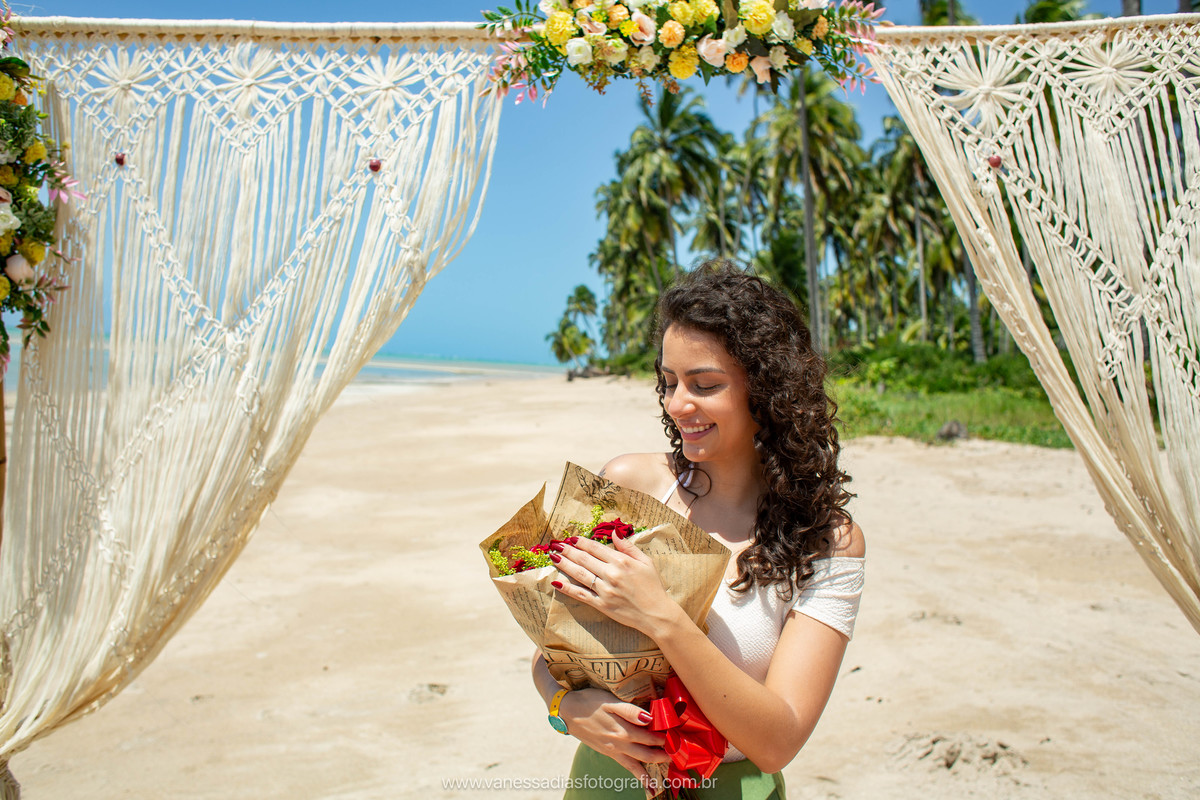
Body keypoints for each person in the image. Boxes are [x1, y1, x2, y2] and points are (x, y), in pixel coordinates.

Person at [531, 260, 866, 799]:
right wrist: (565, 708)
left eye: (703, 385)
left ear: (766, 389)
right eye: (668, 382)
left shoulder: (827, 539)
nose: (677, 404)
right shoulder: (629, 484)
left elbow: (778, 741)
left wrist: (662, 618)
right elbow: (549, 656)